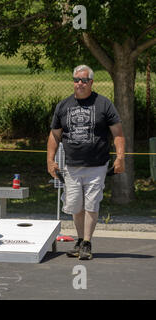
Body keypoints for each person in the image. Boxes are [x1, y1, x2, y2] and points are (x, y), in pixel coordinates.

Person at [47, 64, 125, 260]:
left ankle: (88, 242)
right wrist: (50, 160)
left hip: (96, 165)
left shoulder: (104, 104)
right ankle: (80, 240)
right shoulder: (63, 106)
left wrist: (120, 157)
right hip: (71, 165)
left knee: (91, 203)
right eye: (76, 80)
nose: (79, 83)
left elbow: (118, 133)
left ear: (91, 82)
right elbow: (54, 136)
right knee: (75, 205)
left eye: (83, 80)